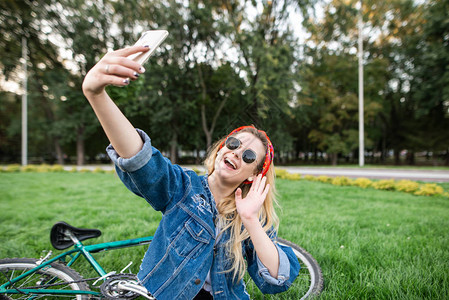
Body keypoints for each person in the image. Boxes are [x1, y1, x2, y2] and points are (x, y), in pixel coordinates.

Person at [82, 45, 300, 300]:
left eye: (249, 156)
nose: (237, 153)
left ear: (253, 174)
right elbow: (141, 160)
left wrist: (250, 219)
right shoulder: (183, 187)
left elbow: (277, 280)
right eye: (233, 143)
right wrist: (96, 94)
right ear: (221, 148)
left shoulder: (251, 215)